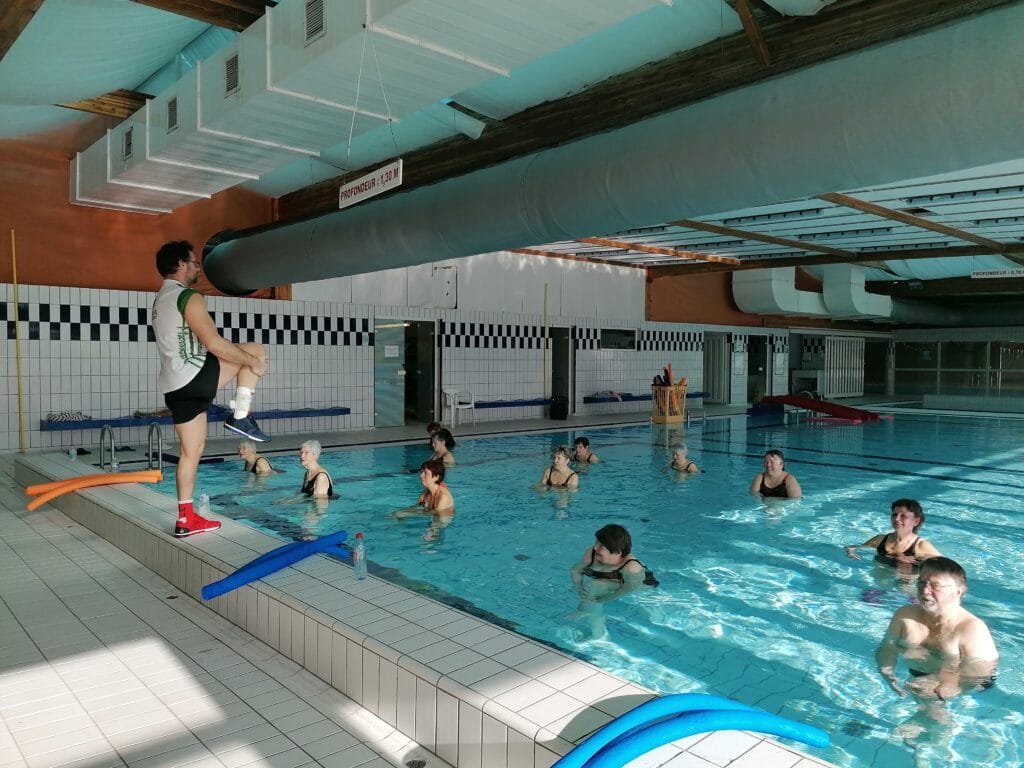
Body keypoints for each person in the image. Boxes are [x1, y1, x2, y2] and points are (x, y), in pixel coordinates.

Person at [152, 241, 269, 538]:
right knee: (254, 349)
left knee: (190, 453)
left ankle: (185, 518)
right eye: (194, 263)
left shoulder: (160, 300)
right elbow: (214, 344)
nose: (196, 269)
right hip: (194, 376)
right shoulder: (187, 296)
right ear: (180, 264)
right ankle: (240, 415)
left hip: (173, 386)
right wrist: (252, 362)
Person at [875, 557, 998, 701]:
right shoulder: (905, 615)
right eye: (921, 582)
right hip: (920, 673)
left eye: (936, 585)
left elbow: (980, 674)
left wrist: (947, 686)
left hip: (966, 681)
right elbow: (887, 647)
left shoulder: (971, 629)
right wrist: (886, 670)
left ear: (959, 591)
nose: (925, 591)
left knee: (924, 698)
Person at [569, 524, 656, 638]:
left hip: (638, 585)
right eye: (596, 543)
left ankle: (598, 634)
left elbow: (630, 588)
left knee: (595, 586)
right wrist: (580, 590)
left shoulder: (631, 566)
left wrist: (602, 599)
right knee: (593, 588)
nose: (595, 547)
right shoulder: (592, 553)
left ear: (617, 552)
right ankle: (586, 609)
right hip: (611, 580)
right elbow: (575, 570)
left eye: (601, 546)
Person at [846, 499, 941, 565]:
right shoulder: (880, 540)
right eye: (894, 514)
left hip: (906, 587)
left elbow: (945, 566)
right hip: (880, 582)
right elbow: (851, 547)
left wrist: (919, 561)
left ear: (916, 521)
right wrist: (850, 553)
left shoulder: (920, 545)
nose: (896, 519)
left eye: (903, 516)